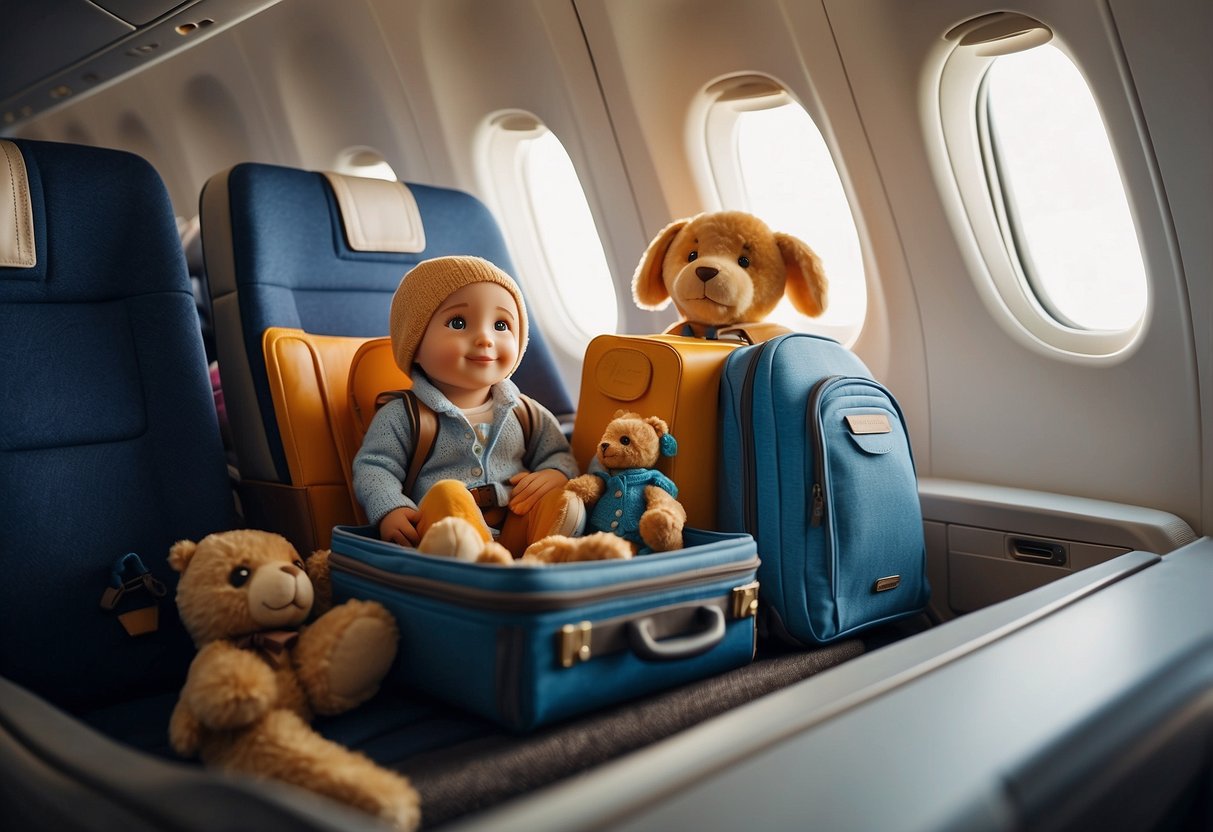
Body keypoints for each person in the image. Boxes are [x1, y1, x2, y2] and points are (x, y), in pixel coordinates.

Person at [353, 256, 583, 562]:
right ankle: (481, 567)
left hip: (516, 523)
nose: (485, 338)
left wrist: (555, 473)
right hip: (447, 536)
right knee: (447, 494)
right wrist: (390, 508)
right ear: (415, 344)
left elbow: (557, 453)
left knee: (562, 498)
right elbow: (375, 467)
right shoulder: (405, 415)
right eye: (458, 323)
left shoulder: (525, 412)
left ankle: (542, 560)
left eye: (501, 325)